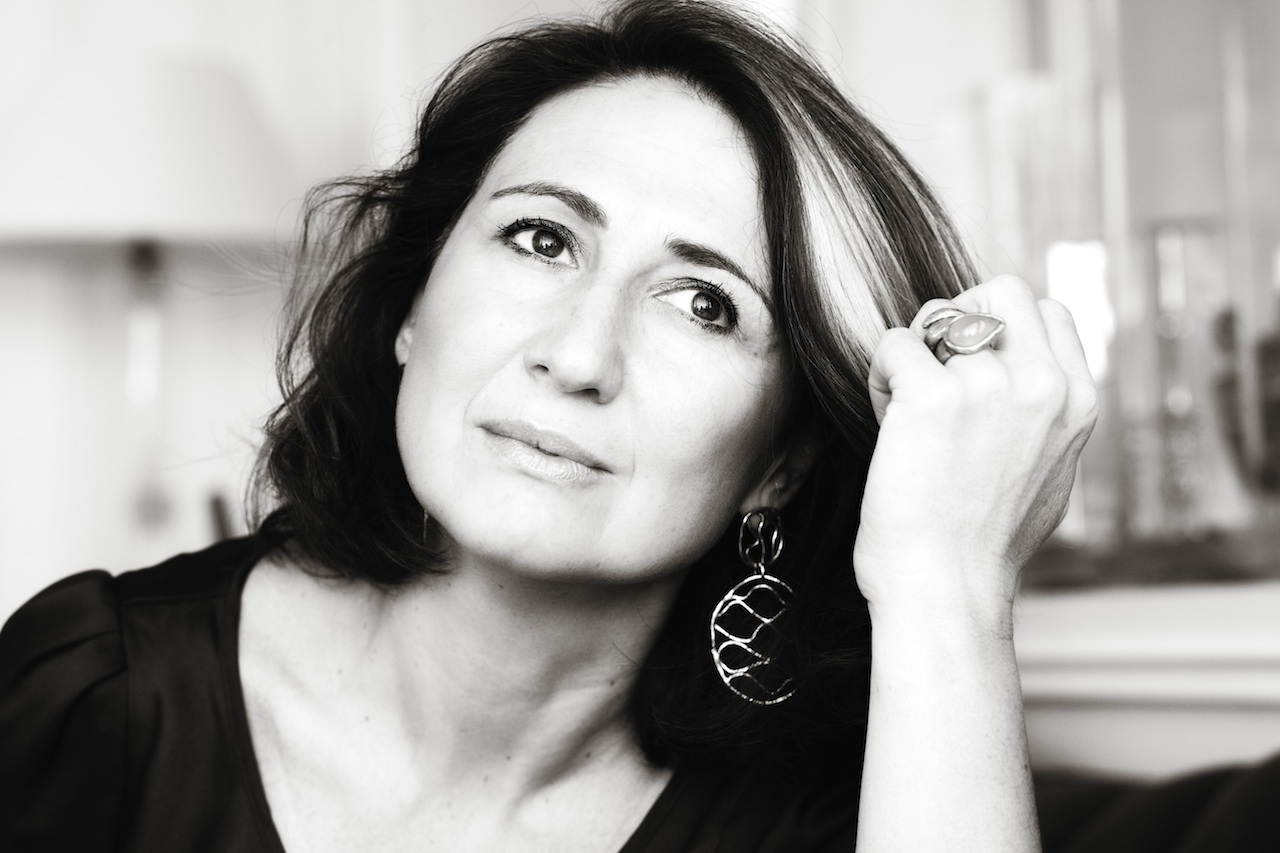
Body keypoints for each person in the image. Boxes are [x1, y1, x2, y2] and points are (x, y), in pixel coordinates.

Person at [0, 1, 1097, 850]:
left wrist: (952, 584)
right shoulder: (92, 695)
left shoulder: (835, 814)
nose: (576, 356)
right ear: (412, 303)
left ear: (782, 461)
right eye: (540, 239)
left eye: (703, 304)